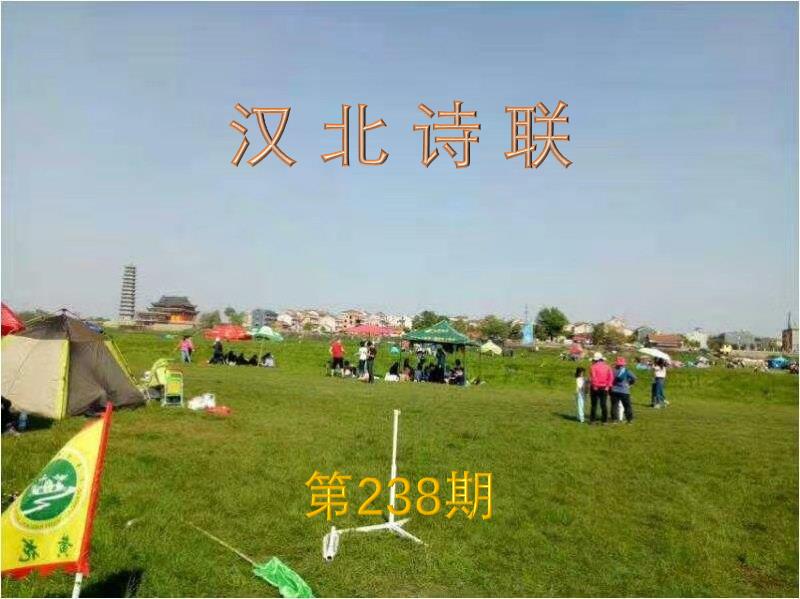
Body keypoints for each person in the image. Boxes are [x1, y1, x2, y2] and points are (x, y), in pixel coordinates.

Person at [589, 352, 613, 424]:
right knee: (603, 404)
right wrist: (608, 386)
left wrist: (595, 386)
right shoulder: (608, 367)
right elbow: (611, 377)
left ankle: (592, 420)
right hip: (604, 387)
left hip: (595, 387)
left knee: (594, 405)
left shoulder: (593, 367)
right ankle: (604, 420)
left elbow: (593, 377)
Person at [611, 357, 636, 423]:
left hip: (614, 390)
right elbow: (634, 378)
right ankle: (629, 419)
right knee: (627, 405)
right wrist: (630, 384)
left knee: (614, 406)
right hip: (624, 390)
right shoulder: (626, 370)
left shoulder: (613, 370)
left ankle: (614, 419)